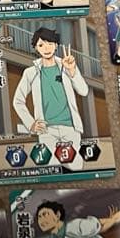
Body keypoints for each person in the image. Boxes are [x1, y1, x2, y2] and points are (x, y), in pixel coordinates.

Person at [12, 28, 88, 171]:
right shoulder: (30, 73)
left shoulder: (66, 66)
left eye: (49, 44)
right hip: (46, 130)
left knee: (76, 167)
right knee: (52, 167)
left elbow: (84, 91)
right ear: (36, 48)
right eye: (41, 45)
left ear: (56, 45)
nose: (46, 48)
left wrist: (72, 70)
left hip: (70, 127)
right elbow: (18, 100)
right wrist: (31, 124)